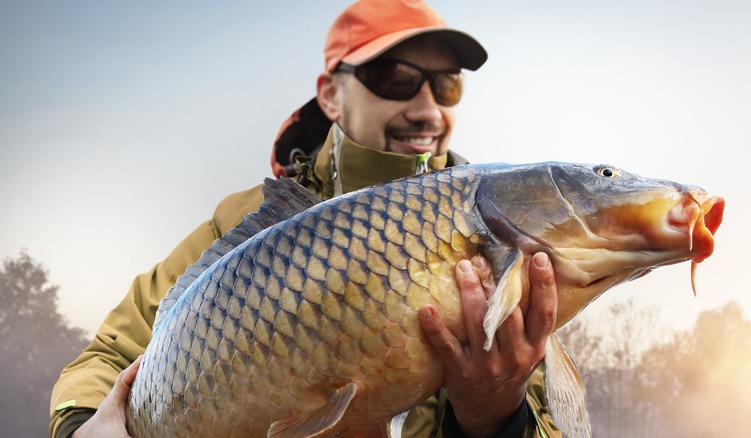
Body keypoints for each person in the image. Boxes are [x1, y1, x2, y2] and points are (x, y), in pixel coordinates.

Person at [49, 1, 561, 437]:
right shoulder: (243, 221)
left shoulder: (504, 239)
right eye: (396, 79)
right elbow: (105, 358)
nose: (427, 109)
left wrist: (494, 416)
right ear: (331, 94)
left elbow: (552, 421)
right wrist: (83, 426)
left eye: (446, 84)